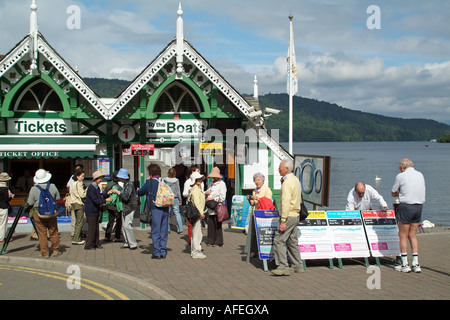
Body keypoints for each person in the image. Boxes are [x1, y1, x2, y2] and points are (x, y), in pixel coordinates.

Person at [391, 158, 426, 273]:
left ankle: (404, 263)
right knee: (413, 235)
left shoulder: (400, 176)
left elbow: (393, 192)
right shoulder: (420, 174)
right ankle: (416, 263)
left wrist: (398, 192)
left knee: (403, 235)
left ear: (402, 167)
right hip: (418, 206)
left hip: (406, 206)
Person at [271, 159, 303, 276]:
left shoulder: (287, 183)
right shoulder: (295, 180)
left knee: (279, 240)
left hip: (288, 215)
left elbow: (285, 202)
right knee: (292, 240)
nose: (279, 169)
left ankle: (283, 266)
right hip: (296, 214)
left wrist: (283, 220)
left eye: (280, 167)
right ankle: (297, 264)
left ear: (287, 169)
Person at [25, 169, 61, 258]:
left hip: (38, 213)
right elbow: (58, 198)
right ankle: (56, 250)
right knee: (54, 231)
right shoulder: (52, 186)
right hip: (52, 213)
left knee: (42, 233)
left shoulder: (34, 189)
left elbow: (30, 202)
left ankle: (44, 253)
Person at [137, 164, 170, 259]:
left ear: (151, 173)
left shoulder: (150, 182)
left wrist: (142, 186)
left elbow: (140, 192)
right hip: (165, 208)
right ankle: (163, 251)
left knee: (156, 231)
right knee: (163, 231)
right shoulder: (164, 181)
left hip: (155, 209)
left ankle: (157, 252)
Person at [110, 168, 138, 250]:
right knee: (124, 226)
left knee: (127, 225)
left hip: (129, 207)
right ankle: (127, 242)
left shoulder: (129, 185)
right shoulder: (126, 184)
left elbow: (126, 197)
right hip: (126, 207)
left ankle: (132, 243)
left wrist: (117, 192)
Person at [84, 170, 112, 250]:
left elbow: (99, 196)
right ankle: (89, 245)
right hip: (91, 211)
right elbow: (95, 200)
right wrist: (106, 200)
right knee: (92, 229)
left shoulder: (96, 187)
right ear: (96, 179)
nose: (101, 180)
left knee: (96, 228)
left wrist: (106, 194)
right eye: (100, 178)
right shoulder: (91, 188)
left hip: (95, 210)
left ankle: (96, 243)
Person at [205, 167, 227, 247]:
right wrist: (205, 193)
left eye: (214, 176)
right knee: (211, 224)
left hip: (218, 207)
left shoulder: (222, 184)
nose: (213, 178)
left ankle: (218, 241)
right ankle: (210, 240)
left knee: (217, 224)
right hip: (211, 207)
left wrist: (213, 198)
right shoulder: (211, 184)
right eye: (212, 176)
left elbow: (222, 197)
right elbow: (209, 191)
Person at [182, 165, 204, 244]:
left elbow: (201, 193)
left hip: (200, 206)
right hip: (192, 206)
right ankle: (193, 242)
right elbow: (184, 194)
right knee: (192, 226)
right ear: (192, 172)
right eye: (196, 171)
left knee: (198, 227)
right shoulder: (188, 182)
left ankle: (197, 243)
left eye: (199, 171)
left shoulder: (201, 182)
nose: (198, 172)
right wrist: (189, 192)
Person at [189, 171, 206, 259]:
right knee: (197, 233)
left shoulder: (196, 188)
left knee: (196, 232)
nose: (200, 180)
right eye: (198, 179)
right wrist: (201, 212)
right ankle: (196, 251)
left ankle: (195, 250)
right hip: (197, 214)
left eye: (200, 178)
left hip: (196, 213)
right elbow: (197, 202)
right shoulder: (196, 189)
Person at [102, 170, 123, 242]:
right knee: (118, 221)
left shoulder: (108, 185)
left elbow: (104, 194)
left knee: (110, 221)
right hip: (116, 206)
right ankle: (117, 237)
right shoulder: (118, 187)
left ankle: (107, 236)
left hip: (109, 206)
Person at [69, 169, 86, 245]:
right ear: (77, 176)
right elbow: (82, 195)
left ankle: (76, 237)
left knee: (76, 221)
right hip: (78, 203)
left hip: (73, 203)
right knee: (80, 222)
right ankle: (77, 239)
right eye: (82, 176)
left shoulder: (72, 184)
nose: (83, 178)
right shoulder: (79, 184)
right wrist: (86, 191)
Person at [67, 164, 84, 237]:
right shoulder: (74, 180)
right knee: (76, 218)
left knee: (79, 218)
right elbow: (68, 185)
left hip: (75, 200)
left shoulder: (80, 181)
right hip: (76, 200)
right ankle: (75, 233)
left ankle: (78, 231)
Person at [165, 168, 183, 234]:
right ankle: (180, 229)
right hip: (175, 197)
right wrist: (180, 199)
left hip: (167, 198)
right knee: (177, 213)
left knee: (167, 213)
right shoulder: (177, 180)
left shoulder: (165, 180)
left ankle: (167, 229)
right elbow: (178, 191)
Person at [0, 173, 14, 243]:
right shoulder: (5, 189)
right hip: (3, 207)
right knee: (3, 223)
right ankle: (2, 238)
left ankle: (3, 237)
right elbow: (6, 199)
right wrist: (11, 197)